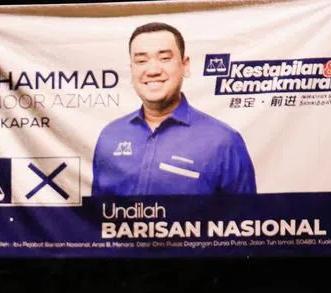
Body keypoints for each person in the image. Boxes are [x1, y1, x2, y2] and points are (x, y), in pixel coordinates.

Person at [91, 21, 257, 196]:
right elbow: (98, 219)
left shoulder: (224, 141)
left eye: (164, 58)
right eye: (141, 60)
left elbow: (246, 220)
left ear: (185, 66)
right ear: (132, 69)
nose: (153, 70)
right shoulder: (110, 136)